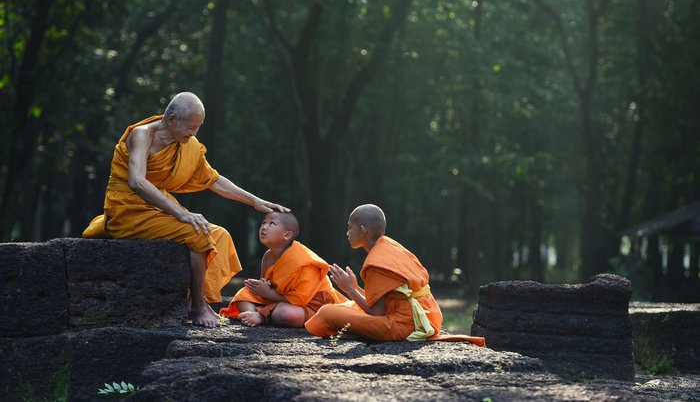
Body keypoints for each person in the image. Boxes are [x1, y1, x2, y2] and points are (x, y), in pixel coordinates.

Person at [83, 91, 288, 328]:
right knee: (197, 232)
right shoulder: (143, 135)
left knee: (219, 234)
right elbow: (137, 181)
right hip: (129, 209)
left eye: (198, 128)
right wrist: (180, 213)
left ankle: (192, 301)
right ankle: (200, 307)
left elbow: (213, 179)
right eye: (190, 128)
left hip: (159, 207)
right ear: (171, 120)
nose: (193, 134)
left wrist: (254, 201)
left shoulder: (187, 145)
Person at [305, 204, 485, 345]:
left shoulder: (375, 262)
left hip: (405, 326)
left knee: (327, 312)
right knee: (347, 306)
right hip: (428, 316)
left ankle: (359, 333)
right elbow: (386, 300)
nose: (347, 233)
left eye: (350, 227)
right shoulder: (391, 246)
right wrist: (356, 287)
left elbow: (376, 312)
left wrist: (349, 289)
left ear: (362, 230)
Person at [220, 211, 346, 327]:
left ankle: (262, 316)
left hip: (312, 307)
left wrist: (268, 293)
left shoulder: (303, 261)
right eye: (263, 222)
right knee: (243, 294)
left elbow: (299, 300)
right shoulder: (268, 256)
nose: (264, 227)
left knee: (285, 314)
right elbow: (269, 285)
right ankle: (250, 314)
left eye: (272, 223)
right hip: (279, 299)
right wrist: (262, 286)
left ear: (287, 235)